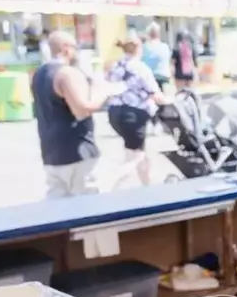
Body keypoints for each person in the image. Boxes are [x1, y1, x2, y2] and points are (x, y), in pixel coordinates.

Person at [32, 31, 115, 199]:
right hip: (78, 152)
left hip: (51, 152)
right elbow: (82, 110)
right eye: (75, 48)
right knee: (91, 207)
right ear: (66, 49)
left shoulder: (39, 74)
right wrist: (103, 92)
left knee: (58, 210)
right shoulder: (66, 73)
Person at [107, 30, 169, 187]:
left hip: (114, 113)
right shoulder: (140, 68)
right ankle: (114, 184)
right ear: (139, 49)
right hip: (134, 115)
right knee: (135, 156)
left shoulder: (115, 66)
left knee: (139, 151)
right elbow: (155, 94)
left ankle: (147, 184)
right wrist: (170, 101)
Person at [142, 22, 172, 91]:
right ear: (158, 34)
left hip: (150, 78)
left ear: (148, 34)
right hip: (164, 76)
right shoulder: (165, 47)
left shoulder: (145, 47)